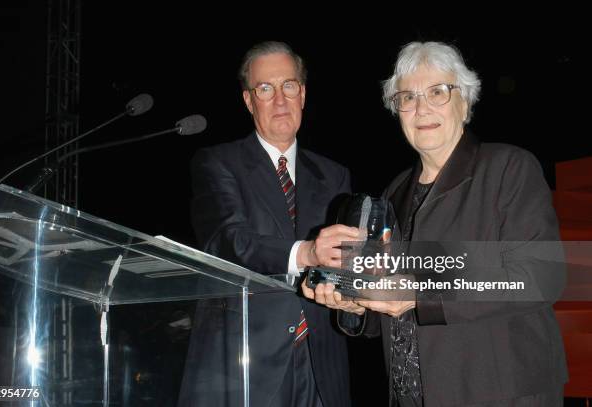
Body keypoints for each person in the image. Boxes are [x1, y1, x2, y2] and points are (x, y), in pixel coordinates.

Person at [303, 41, 568, 406]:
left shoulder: (509, 168)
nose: (421, 107)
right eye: (407, 97)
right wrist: (358, 306)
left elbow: (540, 276)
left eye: (437, 92)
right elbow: (391, 298)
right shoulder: (395, 191)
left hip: (498, 393)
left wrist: (418, 293)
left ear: (467, 99)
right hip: (411, 395)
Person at [178, 41, 353, 407]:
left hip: (323, 364)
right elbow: (228, 240)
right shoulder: (217, 163)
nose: (279, 100)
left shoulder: (334, 176)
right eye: (265, 88)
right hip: (244, 367)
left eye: (289, 85)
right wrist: (304, 252)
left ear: (303, 94)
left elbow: (344, 265)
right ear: (248, 100)